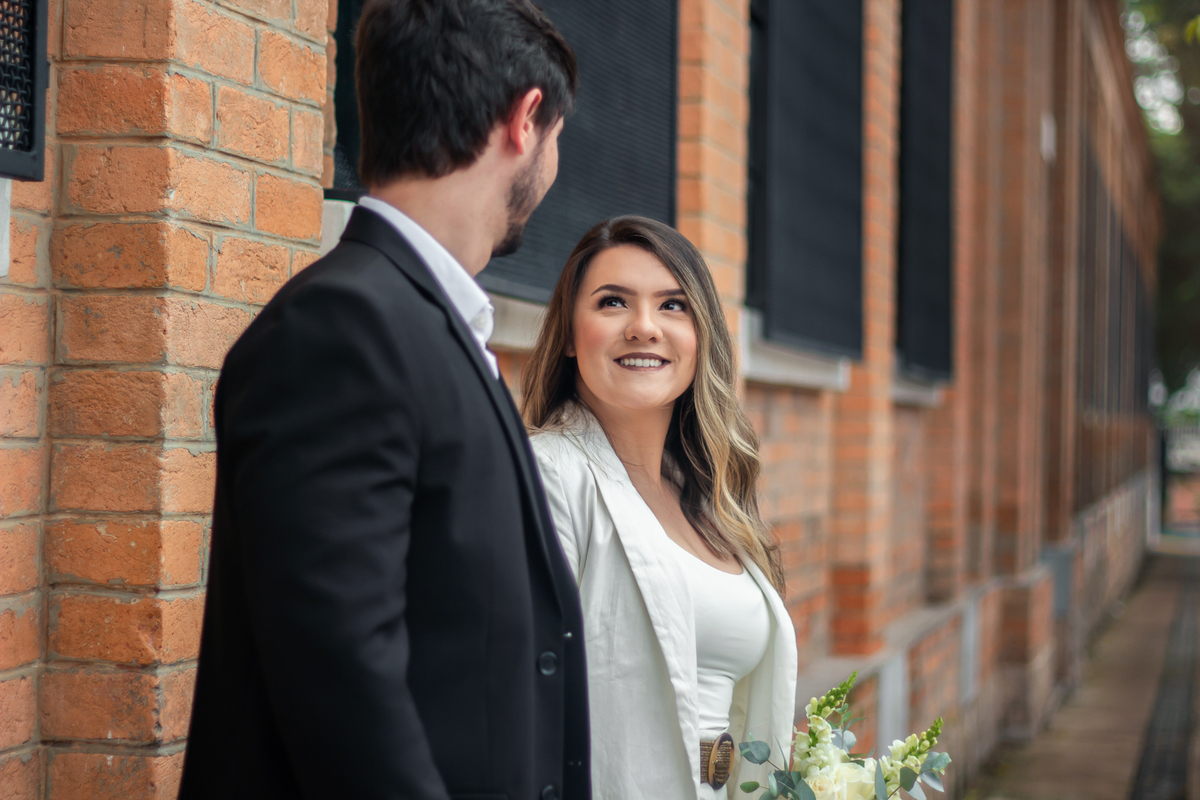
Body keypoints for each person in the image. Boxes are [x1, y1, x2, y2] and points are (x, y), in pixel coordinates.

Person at [179, 2, 590, 798]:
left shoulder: (430, 321)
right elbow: (341, 678)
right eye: (559, 140)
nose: (555, 166)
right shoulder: (340, 327)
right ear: (525, 119)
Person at [521, 216, 798, 800]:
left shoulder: (708, 492)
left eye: (672, 306)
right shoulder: (548, 476)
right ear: (570, 335)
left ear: (701, 337)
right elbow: (521, 702)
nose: (644, 327)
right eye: (613, 302)